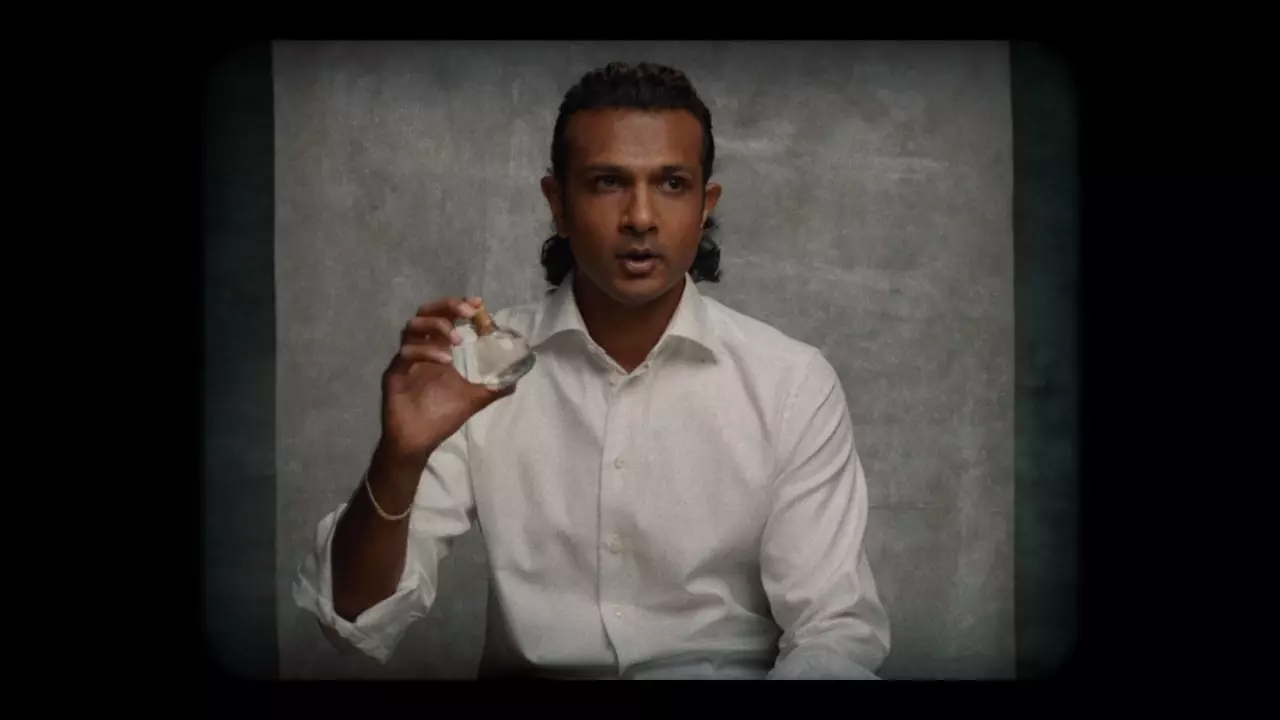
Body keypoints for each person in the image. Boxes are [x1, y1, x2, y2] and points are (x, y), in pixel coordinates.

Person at [293, 61, 890, 680]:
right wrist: (398, 459)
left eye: (672, 184)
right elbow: (354, 620)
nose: (641, 217)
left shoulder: (790, 383)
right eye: (608, 182)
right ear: (558, 203)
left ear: (704, 204)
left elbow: (833, 629)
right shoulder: (475, 370)